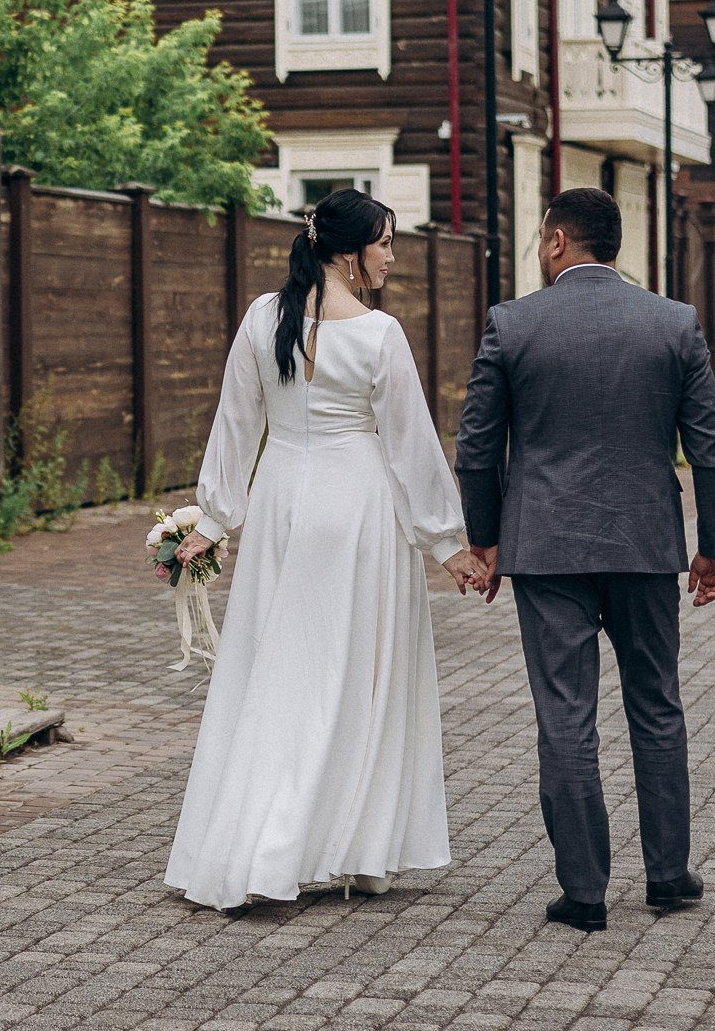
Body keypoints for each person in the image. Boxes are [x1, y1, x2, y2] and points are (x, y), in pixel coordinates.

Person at [166, 188, 476, 910]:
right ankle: (349, 845)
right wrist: (448, 543)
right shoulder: (377, 333)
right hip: (358, 509)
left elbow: (235, 426)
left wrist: (212, 522)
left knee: (276, 669)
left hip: (280, 503)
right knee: (354, 673)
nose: (393, 257)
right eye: (385, 243)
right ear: (347, 249)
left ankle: (266, 838)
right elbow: (410, 446)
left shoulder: (261, 320)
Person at [452, 188, 715, 934]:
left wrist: (485, 540)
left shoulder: (513, 324)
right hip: (646, 545)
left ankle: (583, 892)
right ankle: (669, 875)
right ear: (614, 249)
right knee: (656, 704)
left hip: (547, 549)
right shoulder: (673, 323)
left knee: (565, 717)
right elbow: (711, 446)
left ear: (555, 242)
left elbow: (478, 445)